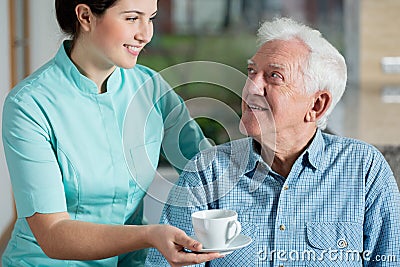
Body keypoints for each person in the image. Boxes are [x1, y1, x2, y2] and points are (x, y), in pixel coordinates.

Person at [145, 17, 400, 266]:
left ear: (317, 105)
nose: (251, 87)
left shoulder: (364, 169)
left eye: (274, 76)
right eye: (251, 71)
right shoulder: (206, 171)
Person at [1, 0, 223, 266]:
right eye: (132, 18)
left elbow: (208, 171)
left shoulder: (151, 89)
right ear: (85, 16)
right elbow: (53, 234)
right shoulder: (30, 104)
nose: (146, 34)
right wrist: (150, 235)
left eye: (150, 18)